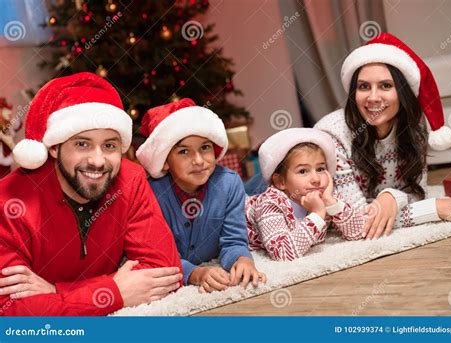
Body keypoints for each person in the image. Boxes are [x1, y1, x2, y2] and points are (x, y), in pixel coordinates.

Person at [0, 72, 182, 316]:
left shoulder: (131, 179)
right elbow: (10, 313)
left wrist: (55, 292)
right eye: (82, 144)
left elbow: (166, 274)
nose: (98, 161)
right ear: (54, 147)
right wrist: (112, 293)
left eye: (109, 145)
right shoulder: (10, 200)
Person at [314, 32, 451, 240]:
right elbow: (357, 223)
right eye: (363, 86)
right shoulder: (332, 136)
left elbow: (416, 193)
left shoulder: (414, 127)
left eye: (385, 86)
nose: (373, 97)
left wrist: (392, 197)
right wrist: (437, 208)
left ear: (403, 92)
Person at [136, 99, 266, 293]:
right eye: (184, 151)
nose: (198, 160)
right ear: (164, 161)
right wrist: (195, 273)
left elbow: (233, 241)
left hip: (243, 189)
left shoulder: (229, 183)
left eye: (205, 148)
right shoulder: (151, 194)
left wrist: (242, 259)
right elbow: (158, 257)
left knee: (263, 183)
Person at [246, 128, 365, 261]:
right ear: (280, 181)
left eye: (320, 169)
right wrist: (317, 214)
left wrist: (332, 203)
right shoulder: (270, 205)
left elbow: (358, 232)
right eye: (303, 171)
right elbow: (282, 253)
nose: (316, 179)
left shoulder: (325, 195)